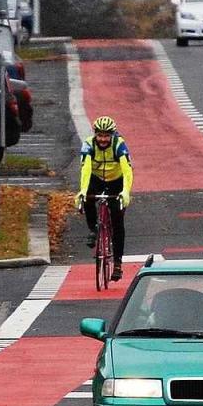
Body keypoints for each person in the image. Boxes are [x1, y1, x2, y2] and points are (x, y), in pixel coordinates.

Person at [76, 115, 134, 281]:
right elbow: (86, 170)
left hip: (117, 181)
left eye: (106, 135)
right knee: (87, 198)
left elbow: (127, 170)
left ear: (112, 135)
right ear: (95, 135)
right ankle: (94, 229)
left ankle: (117, 263)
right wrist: (83, 190)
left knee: (117, 221)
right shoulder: (88, 144)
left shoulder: (119, 145)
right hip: (96, 179)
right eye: (100, 135)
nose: (103, 139)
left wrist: (125, 192)